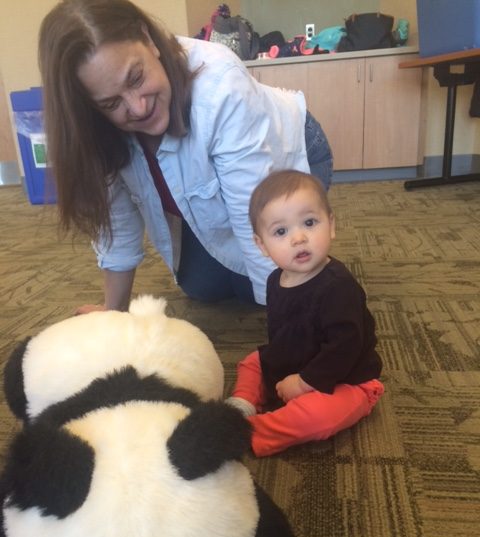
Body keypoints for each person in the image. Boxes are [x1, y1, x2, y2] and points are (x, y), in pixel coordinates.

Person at [38, 0, 333, 310]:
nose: (138, 108)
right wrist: (114, 315)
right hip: (215, 192)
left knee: (280, 268)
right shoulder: (96, 127)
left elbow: (252, 216)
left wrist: (287, 332)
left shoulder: (219, 84)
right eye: (112, 104)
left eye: (136, 78)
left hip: (290, 155)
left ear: (148, 39)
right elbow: (119, 228)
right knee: (202, 287)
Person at [227, 170, 384, 457]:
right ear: (262, 245)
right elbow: (285, 333)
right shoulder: (276, 280)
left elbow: (344, 348)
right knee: (251, 362)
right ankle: (241, 405)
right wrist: (282, 366)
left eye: (310, 223)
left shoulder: (338, 287)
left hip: (348, 380)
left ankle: (251, 431)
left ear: (331, 225)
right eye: (281, 232)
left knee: (314, 416)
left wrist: (303, 382)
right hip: (297, 362)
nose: (299, 238)